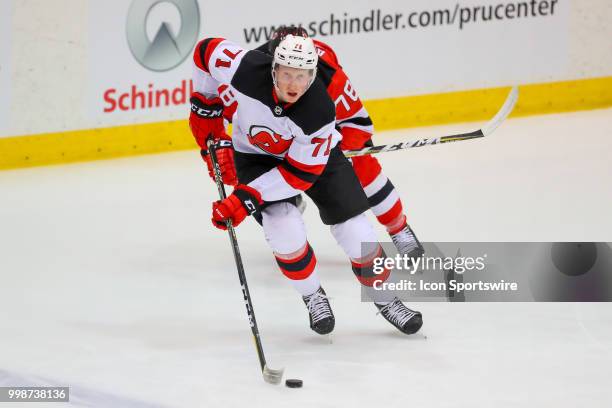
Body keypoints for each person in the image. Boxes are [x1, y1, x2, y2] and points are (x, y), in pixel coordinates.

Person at [189, 34, 423, 335]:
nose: (293, 84)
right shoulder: (244, 68)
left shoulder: (319, 113)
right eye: (286, 73)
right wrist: (205, 108)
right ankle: (313, 295)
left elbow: (298, 175)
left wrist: (244, 198)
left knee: (356, 230)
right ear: (273, 69)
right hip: (256, 158)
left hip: (315, 162)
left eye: (302, 77)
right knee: (282, 228)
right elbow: (205, 51)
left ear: (313, 76)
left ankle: (386, 298)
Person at [213, 26, 424, 259]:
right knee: (263, 196)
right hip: (271, 147)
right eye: (286, 70)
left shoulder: (327, 72)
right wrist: (220, 145)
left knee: (364, 168)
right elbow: (228, 111)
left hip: (320, 135)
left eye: (301, 70)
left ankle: (399, 229)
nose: (292, 77)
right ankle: (290, 204)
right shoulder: (255, 66)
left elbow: (357, 124)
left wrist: (337, 150)